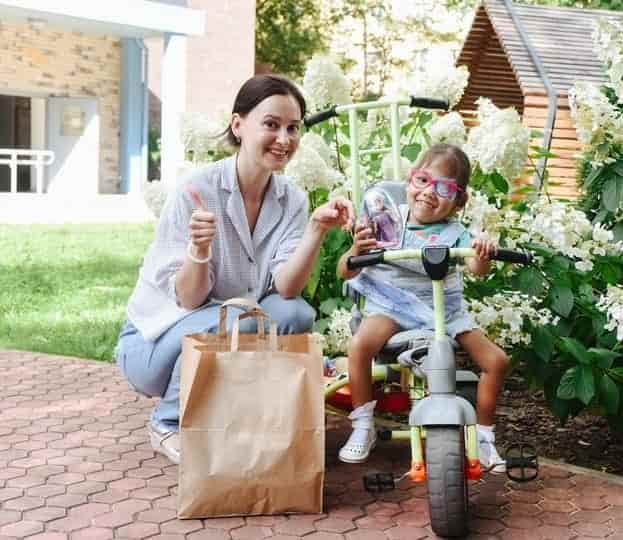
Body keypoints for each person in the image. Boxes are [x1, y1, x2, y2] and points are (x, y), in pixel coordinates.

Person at [116, 74, 353, 464]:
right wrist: (198, 250)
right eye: (271, 124)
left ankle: (249, 411)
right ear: (238, 125)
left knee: (294, 314)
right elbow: (189, 298)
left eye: (293, 128)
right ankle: (167, 421)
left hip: (229, 325)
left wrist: (316, 229)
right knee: (244, 318)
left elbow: (287, 289)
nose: (284, 139)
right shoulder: (196, 191)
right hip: (155, 347)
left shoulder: (292, 199)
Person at [335, 143, 509, 471]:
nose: (429, 192)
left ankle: (485, 436)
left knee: (496, 361)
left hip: (442, 310)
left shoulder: (456, 233)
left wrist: (482, 252)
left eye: (444, 188)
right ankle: (363, 423)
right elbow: (345, 270)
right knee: (359, 346)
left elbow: (476, 268)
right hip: (392, 304)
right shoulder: (387, 220)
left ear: (459, 201)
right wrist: (357, 249)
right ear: (409, 182)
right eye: (423, 180)